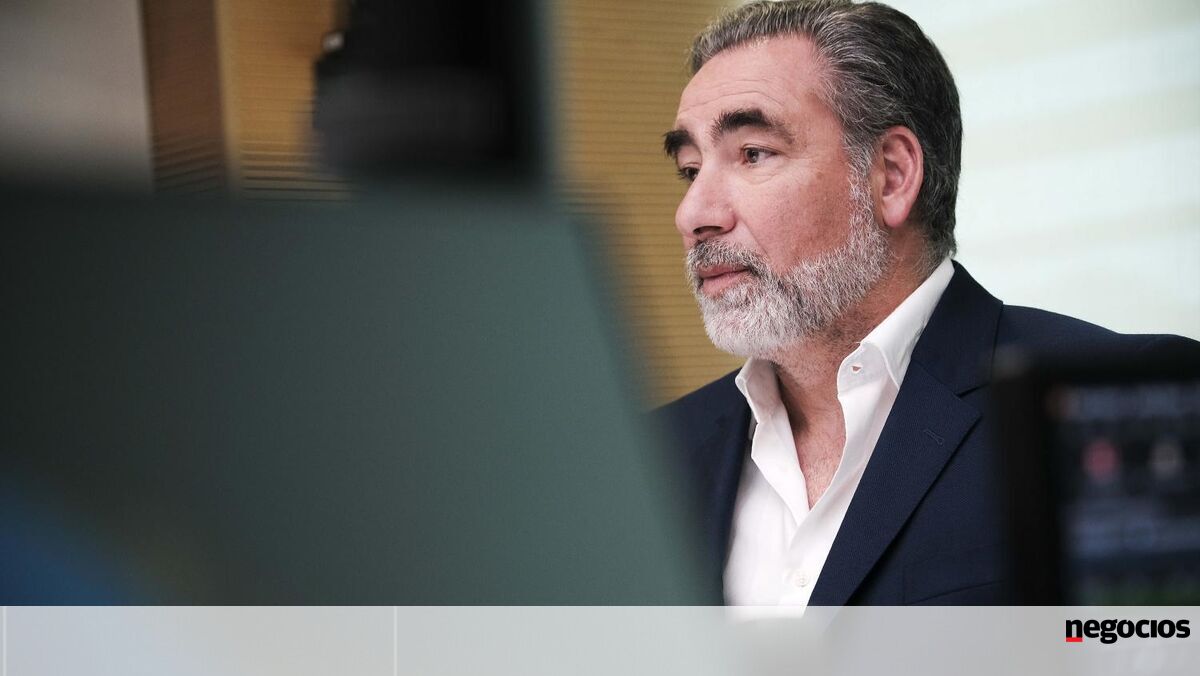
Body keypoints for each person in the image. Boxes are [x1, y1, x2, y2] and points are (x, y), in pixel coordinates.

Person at [656, 0, 1198, 607]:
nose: (693, 214)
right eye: (690, 169)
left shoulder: (1118, 407)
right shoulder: (652, 453)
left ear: (891, 175)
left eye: (753, 154)